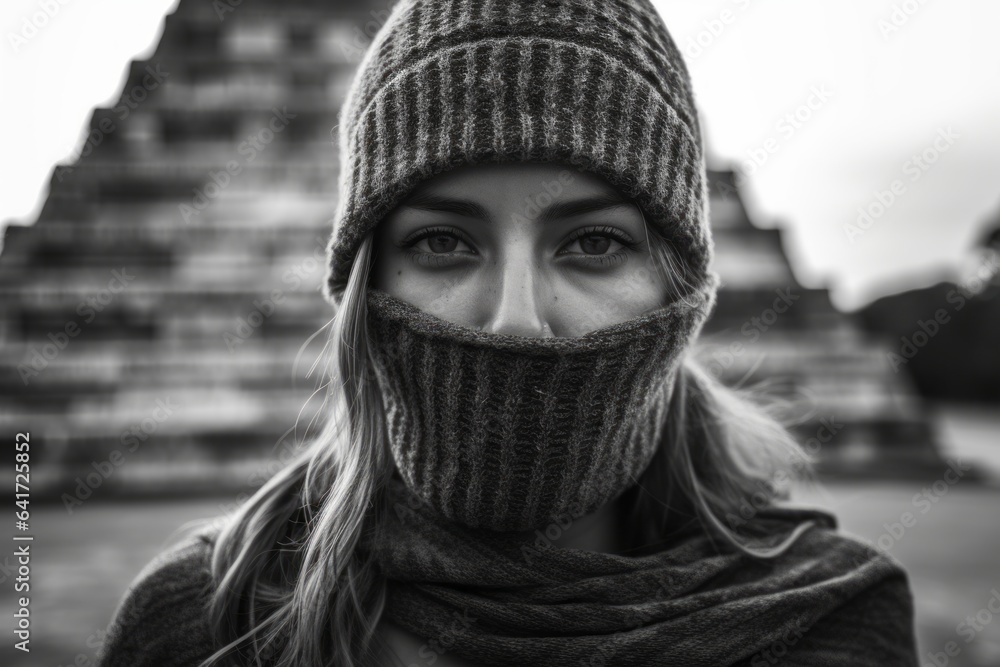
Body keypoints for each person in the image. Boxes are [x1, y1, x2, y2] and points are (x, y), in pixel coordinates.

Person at [97, 1, 921, 665]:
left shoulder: (833, 626)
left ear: (680, 285)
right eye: (442, 242)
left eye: (594, 242)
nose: (517, 317)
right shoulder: (202, 622)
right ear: (365, 285)